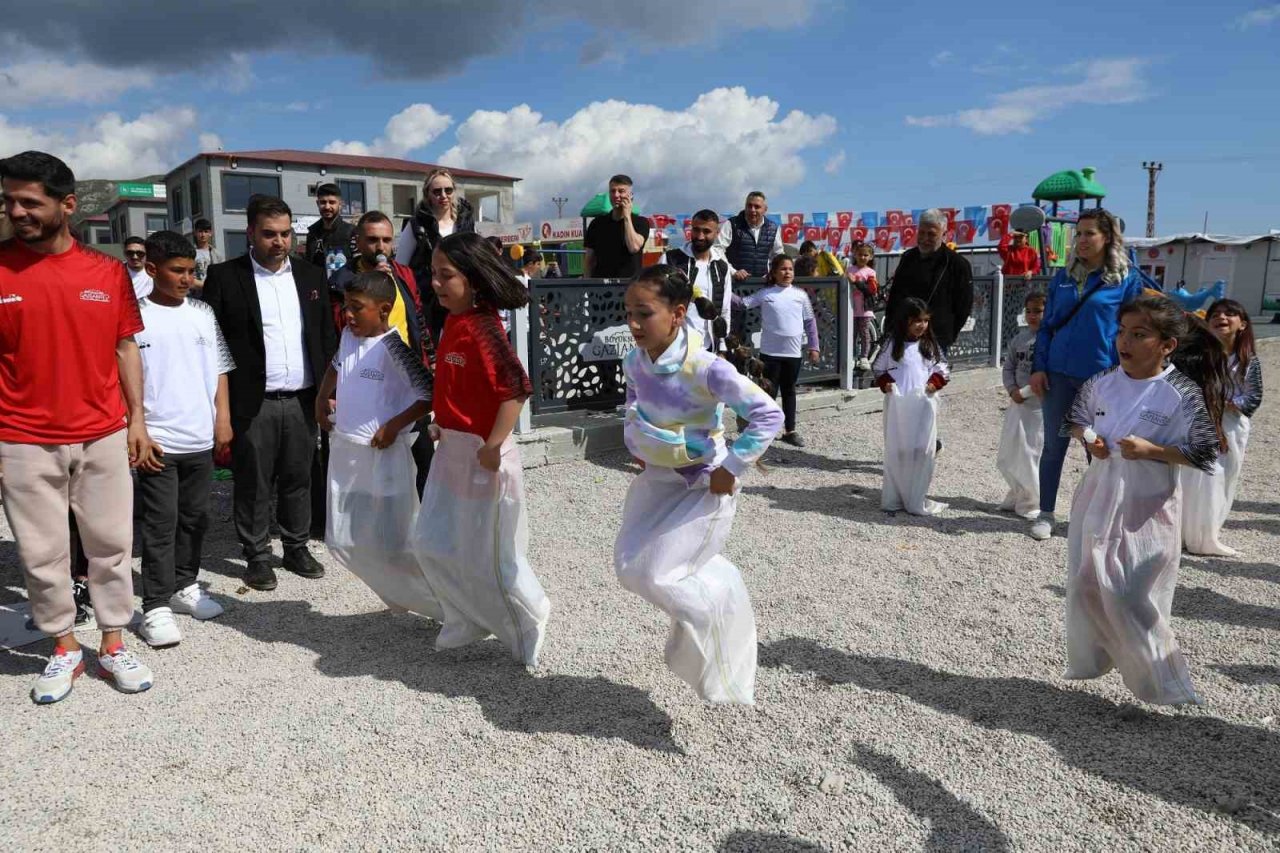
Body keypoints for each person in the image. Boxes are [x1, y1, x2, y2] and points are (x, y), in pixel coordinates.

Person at [0, 150, 157, 702]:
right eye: (9, 200)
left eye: (28, 201)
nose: (15, 211)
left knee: (111, 545)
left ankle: (113, 643)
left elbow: (125, 346)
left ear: (67, 205)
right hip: (21, 438)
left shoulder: (108, 272)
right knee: (42, 554)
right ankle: (64, 647)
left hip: (102, 432)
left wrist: (137, 419)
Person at [613, 264, 783, 704]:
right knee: (630, 567)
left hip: (704, 483)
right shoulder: (634, 360)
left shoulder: (707, 367)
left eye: (643, 313)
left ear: (677, 313)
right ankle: (719, 581)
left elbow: (769, 415)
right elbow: (633, 402)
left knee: (661, 575)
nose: (632, 323)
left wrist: (734, 467)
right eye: (628, 312)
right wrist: (639, 438)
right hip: (657, 477)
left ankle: (724, 655)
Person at [1062, 294, 1226, 706]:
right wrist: (1091, 441)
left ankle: (1167, 683)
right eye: (1122, 332)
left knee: (1129, 593)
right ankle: (1102, 658)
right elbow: (1076, 421)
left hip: (1148, 507)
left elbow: (1206, 451)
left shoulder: (1179, 393)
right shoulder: (1102, 382)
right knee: (1085, 585)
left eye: (1139, 334)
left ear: (1166, 345)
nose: (1125, 341)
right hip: (1100, 495)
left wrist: (1154, 451)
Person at [410, 232, 550, 666]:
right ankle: (467, 616)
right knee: (433, 543)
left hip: (483, 458)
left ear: (472, 279)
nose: (435, 283)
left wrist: (492, 445)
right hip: (451, 451)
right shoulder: (454, 321)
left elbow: (517, 389)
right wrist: (441, 422)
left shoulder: (486, 328)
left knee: (494, 554)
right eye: (433, 274)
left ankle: (529, 621)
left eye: (445, 275)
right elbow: (455, 385)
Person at [202, 195, 338, 591]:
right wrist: (219, 405)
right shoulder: (226, 278)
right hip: (252, 399)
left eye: (285, 233)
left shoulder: (311, 276)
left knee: (300, 475)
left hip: (300, 397)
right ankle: (257, 554)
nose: (279, 242)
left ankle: (295, 546)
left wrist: (329, 389)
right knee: (253, 479)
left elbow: (325, 335)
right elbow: (213, 342)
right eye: (269, 234)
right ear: (250, 233)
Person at [133, 231, 234, 647]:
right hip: (158, 440)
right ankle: (154, 605)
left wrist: (222, 417)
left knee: (195, 519)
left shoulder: (202, 313)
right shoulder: (132, 315)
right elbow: (122, 378)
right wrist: (134, 429)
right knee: (159, 524)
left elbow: (220, 367)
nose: (186, 278)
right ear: (152, 269)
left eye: (192, 271)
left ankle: (184, 586)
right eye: (178, 270)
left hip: (198, 438)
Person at [316, 271, 436, 617]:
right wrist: (322, 397)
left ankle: (438, 602)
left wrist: (393, 425)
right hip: (347, 454)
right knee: (343, 539)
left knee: (394, 542)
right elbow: (336, 367)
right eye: (345, 306)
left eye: (357, 308)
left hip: (384, 459)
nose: (348, 314)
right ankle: (403, 594)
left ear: (384, 309)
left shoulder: (394, 347)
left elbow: (429, 395)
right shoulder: (348, 336)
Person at [1028, 209, 1143, 540]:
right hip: (1058, 375)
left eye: (1089, 233)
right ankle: (1046, 512)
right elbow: (1048, 326)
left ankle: (1099, 515)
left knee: (1098, 447)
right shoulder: (1063, 277)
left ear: (1107, 237)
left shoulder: (1125, 280)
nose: (1081, 240)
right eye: (1078, 233)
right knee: (1054, 445)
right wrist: (1039, 367)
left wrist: (1128, 374)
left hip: (1102, 379)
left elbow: (1135, 330)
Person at [327, 210, 434, 495]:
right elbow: (341, 331)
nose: (381, 247)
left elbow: (418, 321)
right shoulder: (343, 280)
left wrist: (427, 361)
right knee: (375, 464)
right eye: (373, 240)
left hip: (406, 378)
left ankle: (423, 524)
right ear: (358, 241)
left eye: (387, 240)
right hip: (367, 382)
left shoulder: (404, 274)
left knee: (423, 459)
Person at [1181, 298, 1263, 555]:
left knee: (1220, 477)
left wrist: (1225, 402)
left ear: (1243, 324)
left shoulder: (1248, 361)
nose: (1222, 317)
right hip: (1198, 420)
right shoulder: (1197, 355)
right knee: (1192, 478)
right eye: (1216, 313)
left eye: (1230, 313)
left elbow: (1252, 397)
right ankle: (1183, 532)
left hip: (1230, 426)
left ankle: (1207, 534)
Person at [873, 297, 949, 516]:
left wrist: (934, 384)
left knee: (921, 450)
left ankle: (916, 494)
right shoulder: (892, 344)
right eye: (916, 320)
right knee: (899, 448)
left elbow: (943, 370)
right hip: (898, 406)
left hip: (923, 404)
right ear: (905, 320)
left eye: (925, 321)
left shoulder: (930, 345)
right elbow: (878, 368)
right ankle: (898, 494)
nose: (921, 325)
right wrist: (885, 383)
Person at [741, 255, 819, 447]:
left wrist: (814, 346)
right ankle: (763, 431)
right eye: (783, 269)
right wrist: (723, 293)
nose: (787, 273)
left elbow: (810, 323)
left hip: (793, 354)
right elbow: (743, 303)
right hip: (770, 354)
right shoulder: (765, 294)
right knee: (769, 392)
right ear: (774, 273)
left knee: (789, 391)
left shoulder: (801, 295)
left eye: (790, 269)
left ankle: (790, 430)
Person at [398, 168, 476, 346]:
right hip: (427, 304)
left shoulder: (466, 223)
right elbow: (400, 268)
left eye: (448, 190)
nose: (443, 195)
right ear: (428, 195)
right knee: (431, 356)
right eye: (437, 191)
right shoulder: (415, 225)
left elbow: (475, 260)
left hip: (461, 300)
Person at [884, 209, 973, 356]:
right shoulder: (908, 257)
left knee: (931, 379)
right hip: (903, 336)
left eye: (931, 234)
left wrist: (947, 335)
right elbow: (895, 295)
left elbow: (963, 306)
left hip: (935, 338)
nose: (925, 238)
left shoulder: (957, 264)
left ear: (944, 235)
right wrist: (891, 327)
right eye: (922, 233)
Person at [996, 292, 1046, 519]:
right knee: (1011, 451)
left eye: (1038, 311)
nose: (1032, 316)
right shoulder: (1019, 340)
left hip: (1039, 408)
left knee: (1031, 452)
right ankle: (1017, 492)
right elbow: (1009, 367)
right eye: (1029, 311)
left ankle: (1033, 500)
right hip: (1018, 403)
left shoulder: (1051, 340)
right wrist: (1012, 389)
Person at [660, 209, 736, 348]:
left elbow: (724, 310)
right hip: (674, 345)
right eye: (696, 230)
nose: (700, 236)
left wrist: (722, 347)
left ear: (716, 234)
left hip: (708, 346)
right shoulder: (670, 259)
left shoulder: (721, 267)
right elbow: (657, 300)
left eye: (706, 231)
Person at [583, 174, 650, 279]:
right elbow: (589, 260)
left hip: (629, 286)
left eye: (621, 191)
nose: (616, 195)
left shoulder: (641, 222)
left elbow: (634, 247)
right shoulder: (596, 224)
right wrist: (586, 286)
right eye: (612, 191)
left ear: (630, 195)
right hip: (601, 287)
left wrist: (627, 216)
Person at [718, 191, 783, 280]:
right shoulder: (731, 224)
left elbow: (778, 255)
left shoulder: (773, 228)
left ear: (765, 209)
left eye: (757, 207)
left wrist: (772, 273)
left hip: (762, 285)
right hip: (735, 285)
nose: (752, 210)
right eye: (749, 206)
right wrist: (733, 272)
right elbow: (717, 249)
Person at [304, 183, 356, 274]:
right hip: (317, 286)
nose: (327, 207)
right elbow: (308, 264)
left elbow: (359, 266)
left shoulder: (351, 232)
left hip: (344, 287)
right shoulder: (312, 234)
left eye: (332, 202)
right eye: (323, 202)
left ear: (340, 204)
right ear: (317, 203)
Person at [847, 242, 879, 370]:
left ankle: (864, 357)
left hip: (865, 309)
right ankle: (852, 357)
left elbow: (871, 290)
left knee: (864, 332)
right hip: (851, 308)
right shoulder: (849, 270)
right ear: (855, 255)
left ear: (870, 257)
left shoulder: (870, 272)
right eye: (860, 254)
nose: (863, 257)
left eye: (866, 255)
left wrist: (857, 281)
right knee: (852, 334)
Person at [191, 218, 222, 294]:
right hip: (195, 294)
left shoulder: (216, 254)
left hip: (213, 294)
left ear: (210, 233)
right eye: (200, 231)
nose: (203, 235)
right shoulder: (190, 253)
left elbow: (222, 275)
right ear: (195, 233)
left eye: (206, 232)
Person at [124, 235, 152, 299]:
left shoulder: (154, 272)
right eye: (130, 253)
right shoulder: (116, 272)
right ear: (125, 253)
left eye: (140, 253)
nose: (135, 257)